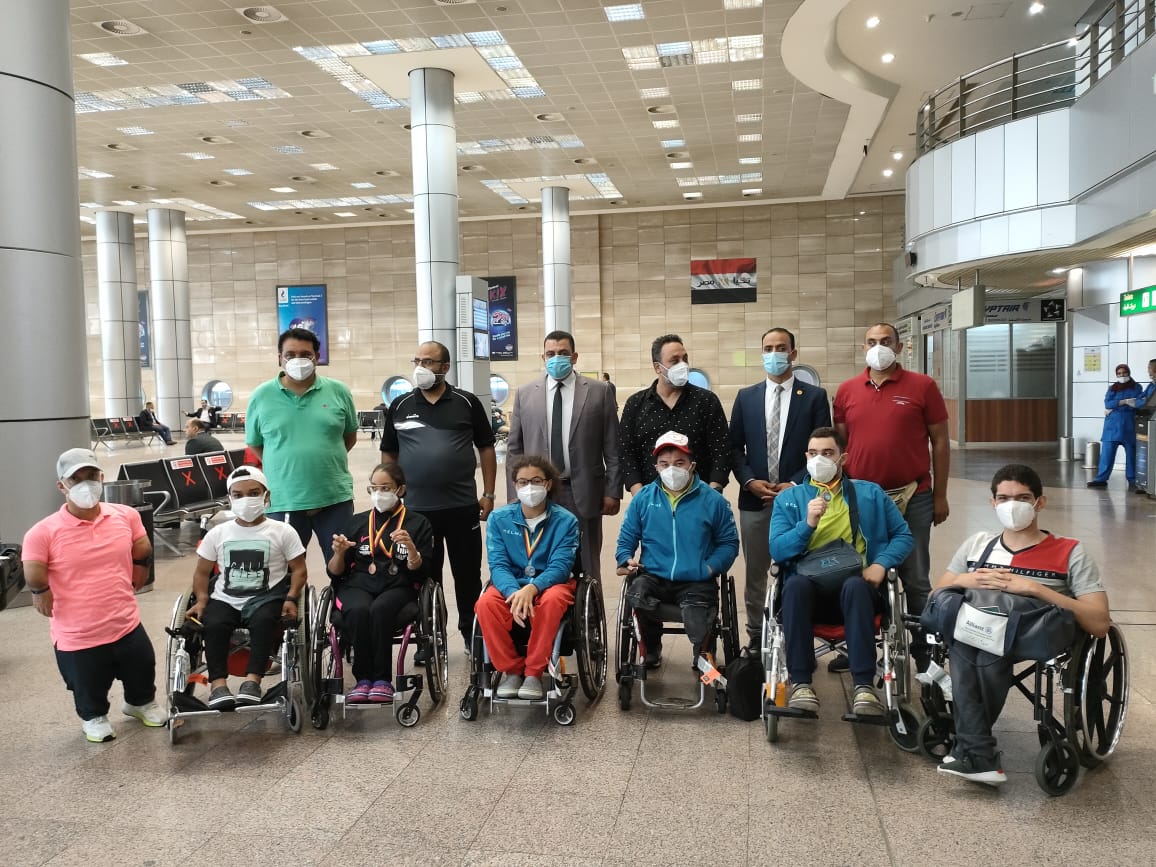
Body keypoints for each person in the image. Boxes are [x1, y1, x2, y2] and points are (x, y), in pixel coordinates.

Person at [934, 464, 1109, 785]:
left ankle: (974, 751)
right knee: (970, 642)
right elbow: (937, 595)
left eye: (1022, 498)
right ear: (992, 503)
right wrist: (965, 579)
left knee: (978, 646)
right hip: (979, 628)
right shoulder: (977, 545)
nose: (1011, 505)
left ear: (1040, 502)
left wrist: (1035, 589)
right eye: (1003, 498)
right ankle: (977, 753)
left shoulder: (1070, 551)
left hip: (1034, 632)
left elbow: (1099, 622)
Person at [21, 448, 166, 742]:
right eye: (76, 479)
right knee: (88, 684)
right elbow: (33, 569)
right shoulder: (43, 532)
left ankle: (140, 703)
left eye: (91, 476)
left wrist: (140, 565)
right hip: (79, 633)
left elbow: (142, 545)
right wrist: (40, 590)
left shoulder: (125, 515)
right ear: (62, 486)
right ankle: (93, 716)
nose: (86, 484)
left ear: (101, 477)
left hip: (125, 621)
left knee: (142, 666)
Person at [769, 428, 913, 716]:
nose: (819, 459)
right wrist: (807, 524)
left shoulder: (870, 494)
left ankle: (863, 686)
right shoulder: (789, 499)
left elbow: (903, 535)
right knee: (794, 586)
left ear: (842, 458)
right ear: (805, 457)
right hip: (808, 590)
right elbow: (778, 549)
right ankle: (801, 683)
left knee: (856, 586)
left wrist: (881, 563)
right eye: (813, 453)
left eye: (827, 453)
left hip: (857, 587)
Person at [833, 322, 949, 667]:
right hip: (862, 498)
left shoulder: (923, 386)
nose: (878, 347)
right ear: (863, 347)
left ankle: (924, 652)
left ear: (899, 347)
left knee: (915, 577)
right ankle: (858, 647)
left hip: (913, 495)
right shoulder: (847, 391)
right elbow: (841, 446)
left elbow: (940, 441)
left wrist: (940, 495)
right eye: (871, 341)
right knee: (860, 572)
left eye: (885, 341)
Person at [381, 341, 497, 648]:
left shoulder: (466, 402)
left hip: (462, 506)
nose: (421, 367)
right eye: (417, 361)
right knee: (424, 576)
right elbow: (389, 453)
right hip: (417, 511)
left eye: (428, 362)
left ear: (445, 368)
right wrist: (390, 494)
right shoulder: (400, 405)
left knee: (467, 574)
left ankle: (472, 635)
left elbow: (486, 448)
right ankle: (429, 639)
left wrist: (488, 493)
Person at [729, 327, 831, 649]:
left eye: (781, 348)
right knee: (756, 572)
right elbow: (734, 448)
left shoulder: (814, 397)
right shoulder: (746, 397)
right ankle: (756, 636)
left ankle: (797, 635)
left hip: (799, 498)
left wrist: (797, 482)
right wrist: (749, 481)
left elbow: (823, 448)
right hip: (755, 499)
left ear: (793, 354)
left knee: (800, 568)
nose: (774, 354)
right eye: (768, 348)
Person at [186, 466, 308, 710]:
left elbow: (299, 570)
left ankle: (252, 682)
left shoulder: (283, 531)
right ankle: (218, 686)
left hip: (266, 598)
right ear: (230, 499)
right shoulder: (218, 533)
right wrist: (201, 600)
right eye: (238, 495)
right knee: (214, 623)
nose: (246, 500)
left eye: (253, 493)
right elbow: (201, 572)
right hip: (225, 598)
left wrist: (291, 598)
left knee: (265, 622)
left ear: (266, 496)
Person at [616, 431, 739, 667]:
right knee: (636, 594)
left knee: (698, 611)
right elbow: (627, 536)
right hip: (654, 575)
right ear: (656, 467)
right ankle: (651, 648)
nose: (671, 469)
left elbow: (729, 543)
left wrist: (710, 568)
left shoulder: (714, 501)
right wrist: (625, 558)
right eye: (665, 464)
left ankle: (703, 655)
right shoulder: (643, 499)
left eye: (679, 463)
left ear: (692, 465)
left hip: (696, 578)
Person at [506, 330, 622, 579]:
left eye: (563, 353)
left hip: (585, 491)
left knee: (587, 563)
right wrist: (514, 493)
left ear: (574, 357)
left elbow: (613, 447)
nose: (556, 358)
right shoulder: (525, 394)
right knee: (539, 559)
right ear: (543, 357)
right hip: (538, 491)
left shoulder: (599, 391)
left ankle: (590, 604)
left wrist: (613, 491)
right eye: (550, 353)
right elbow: (515, 449)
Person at [244, 327, 358, 563]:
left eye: (306, 354)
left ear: (317, 357)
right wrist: (284, 463)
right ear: (280, 358)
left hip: (335, 498)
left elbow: (349, 436)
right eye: (290, 354)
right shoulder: (261, 396)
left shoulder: (339, 391)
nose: (298, 360)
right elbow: (255, 443)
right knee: (284, 571)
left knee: (344, 567)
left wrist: (324, 458)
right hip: (283, 500)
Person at [476, 455, 580, 701]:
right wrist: (514, 592)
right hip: (510, 584)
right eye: (523, 482)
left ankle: (533, 672)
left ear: (548, 484)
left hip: (551, 584)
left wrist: (533, 588)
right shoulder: (499, 519)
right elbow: (498, 565)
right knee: (485, 604)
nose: (529, 487)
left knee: (552, 601)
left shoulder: (566, 521)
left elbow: (561, 566)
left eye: (536, 481)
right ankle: (511, 670)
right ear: (515, 485)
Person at [328, 463, 434, 704]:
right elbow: (335, 573)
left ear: (400, 489)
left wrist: (411, 549)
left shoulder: (418, 523)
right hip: (359, 584)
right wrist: (338, 553)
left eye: (385, 488)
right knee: (358, 610)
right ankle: (363, 680)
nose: (378, 493)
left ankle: (382, 680)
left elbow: (422, 571)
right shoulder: (356, 522)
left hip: (399, 584)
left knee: (380, 609)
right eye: (374, 488)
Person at [619, 334, 730, 494]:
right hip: (651, 498)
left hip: (700, 497)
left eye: (685, 359)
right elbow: (626, 452)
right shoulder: (635, 404)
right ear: (658, 367)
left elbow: (722, 449)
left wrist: (713, 492)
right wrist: (639, 495)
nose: (683, 365)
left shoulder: (706, 401)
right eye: (675, 361)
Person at [1087, 363, 1146, 492]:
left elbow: (1139, 402)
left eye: (1124, 373)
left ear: (1129, 373)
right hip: (1112, 426)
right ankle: (1101, 479)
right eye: (1119, 373)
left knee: (1131, 455)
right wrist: (1124, 402)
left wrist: (1117, 405)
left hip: (1129, 425)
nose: (1122, 375)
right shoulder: (1112, 388)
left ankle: (1133, 479)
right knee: (1106, 455)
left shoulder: (1137, 387)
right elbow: (1107, 403)